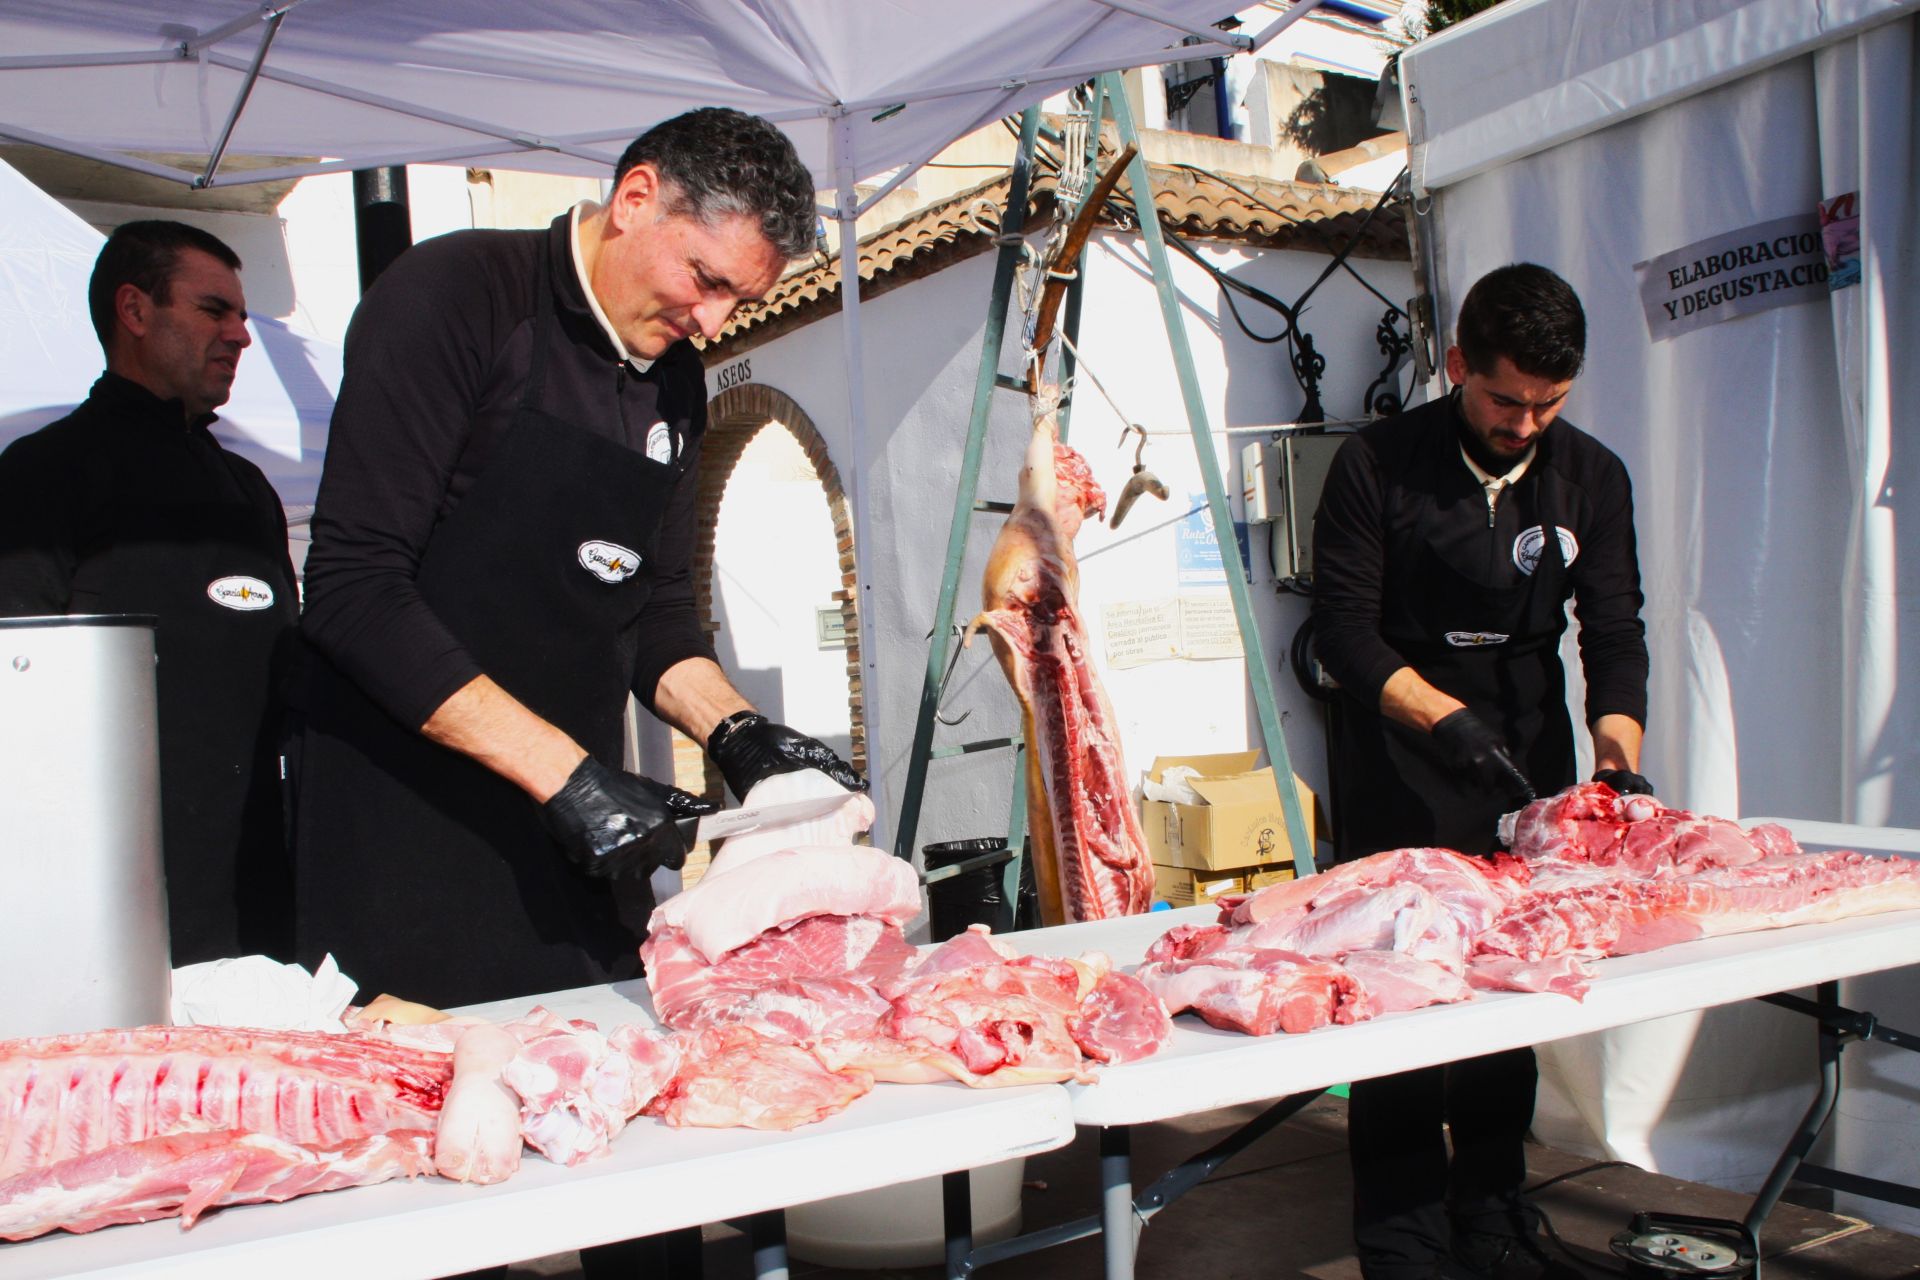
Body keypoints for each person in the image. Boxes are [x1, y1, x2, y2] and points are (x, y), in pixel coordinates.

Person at [292, 107, 864, 1014]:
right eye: (704, 279)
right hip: (409, 840)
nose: (712, 325)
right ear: (636, 198)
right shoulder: (454, 297)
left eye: (737, 303)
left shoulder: (671, 374)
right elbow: (353, 590)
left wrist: (738, 733)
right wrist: (567, 775)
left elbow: (655, 614)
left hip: (581, 846)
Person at [1311, 263, 1652, 1280]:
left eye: (1548, 403)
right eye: (1506, 398)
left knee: (1510, 1007)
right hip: (1402, 762)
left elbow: (1617, 631)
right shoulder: (1377, 466)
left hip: (1527, 772)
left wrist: (1618, 764)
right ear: (1458, 365)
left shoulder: (1593, 475)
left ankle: (1495, 1213)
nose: (1524, 421)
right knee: (1407, 1012)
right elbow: (1345, 634)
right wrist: (1442, 718)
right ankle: (1404, 1243)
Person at [0, 220, 299, 965]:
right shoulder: (43, 473)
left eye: (241, 315)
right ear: (134, 311)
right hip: (116, 896)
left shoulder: (248, 486)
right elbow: (20, 699)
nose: (240, 336)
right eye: (213, 311)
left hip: (264, 876)